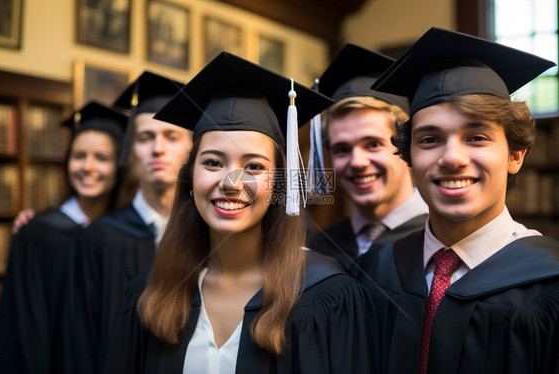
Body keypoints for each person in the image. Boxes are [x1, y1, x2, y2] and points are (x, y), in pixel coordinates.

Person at [103, 52, 378, 374]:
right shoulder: (150, 294)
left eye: (254, 166)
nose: (231, 183)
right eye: (213, 162)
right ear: (189, 178)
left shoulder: (326, 296)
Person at [353, 27, 559, 373]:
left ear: (515, 156)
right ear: (409, 159)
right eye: (430, 139)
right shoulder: (376, 269)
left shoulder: (550, 284)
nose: (452, 158)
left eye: (476, 137)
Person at [73, 71, 193, 374]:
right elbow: (81, 340)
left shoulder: (208, 235)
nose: (157, 148)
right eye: (145, 137)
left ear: (192, 148)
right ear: (130, 150)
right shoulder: (100, 237)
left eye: (171, 136)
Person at [0, 102, 128, 374]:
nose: (88, 167)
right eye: (79, 156)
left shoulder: (124, 237)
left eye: (102, 158)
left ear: (119, 166)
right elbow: (20, 326)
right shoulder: (38, 233)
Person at [308, 43, 428, 270]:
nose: (357, 162)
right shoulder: (319, 247)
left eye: (373, 144)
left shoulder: (442, 237)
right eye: (342, 149)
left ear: (406, 144)